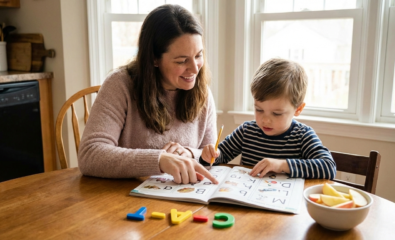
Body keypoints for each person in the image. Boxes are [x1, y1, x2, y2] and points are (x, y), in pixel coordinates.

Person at [78, 4, 218, 184]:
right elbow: (90, 155)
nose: (194, 68)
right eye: (182, 60)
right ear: (154, 58)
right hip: (122, 198)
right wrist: (160, 160)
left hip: (182, 199)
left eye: (199, 55)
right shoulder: (120, 85)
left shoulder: (202, 92)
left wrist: (190, 153)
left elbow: (210, 156)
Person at [200, 58, 336, 180]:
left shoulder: (302, 136)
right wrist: (209, 155)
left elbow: (329, 167)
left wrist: (282, 165)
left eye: (277, 113)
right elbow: (220, 156)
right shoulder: (246, 131)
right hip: (245, 201)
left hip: (283, 204)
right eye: (259, 110)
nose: (265, 120)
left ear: (298, 109)